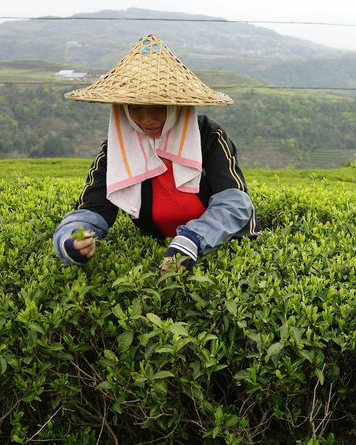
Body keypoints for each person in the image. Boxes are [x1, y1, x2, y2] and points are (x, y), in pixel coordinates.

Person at [52, 34, 259, 273]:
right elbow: (93, 209)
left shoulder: (208, 136)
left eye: (159, 108)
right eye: (136, 108)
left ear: (177, 106)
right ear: (123, 110)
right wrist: (71, 239)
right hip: (160, 245)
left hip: (220, 243)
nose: (147, 119)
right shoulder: (118, 147)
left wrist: (192, 239)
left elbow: (235, 203)